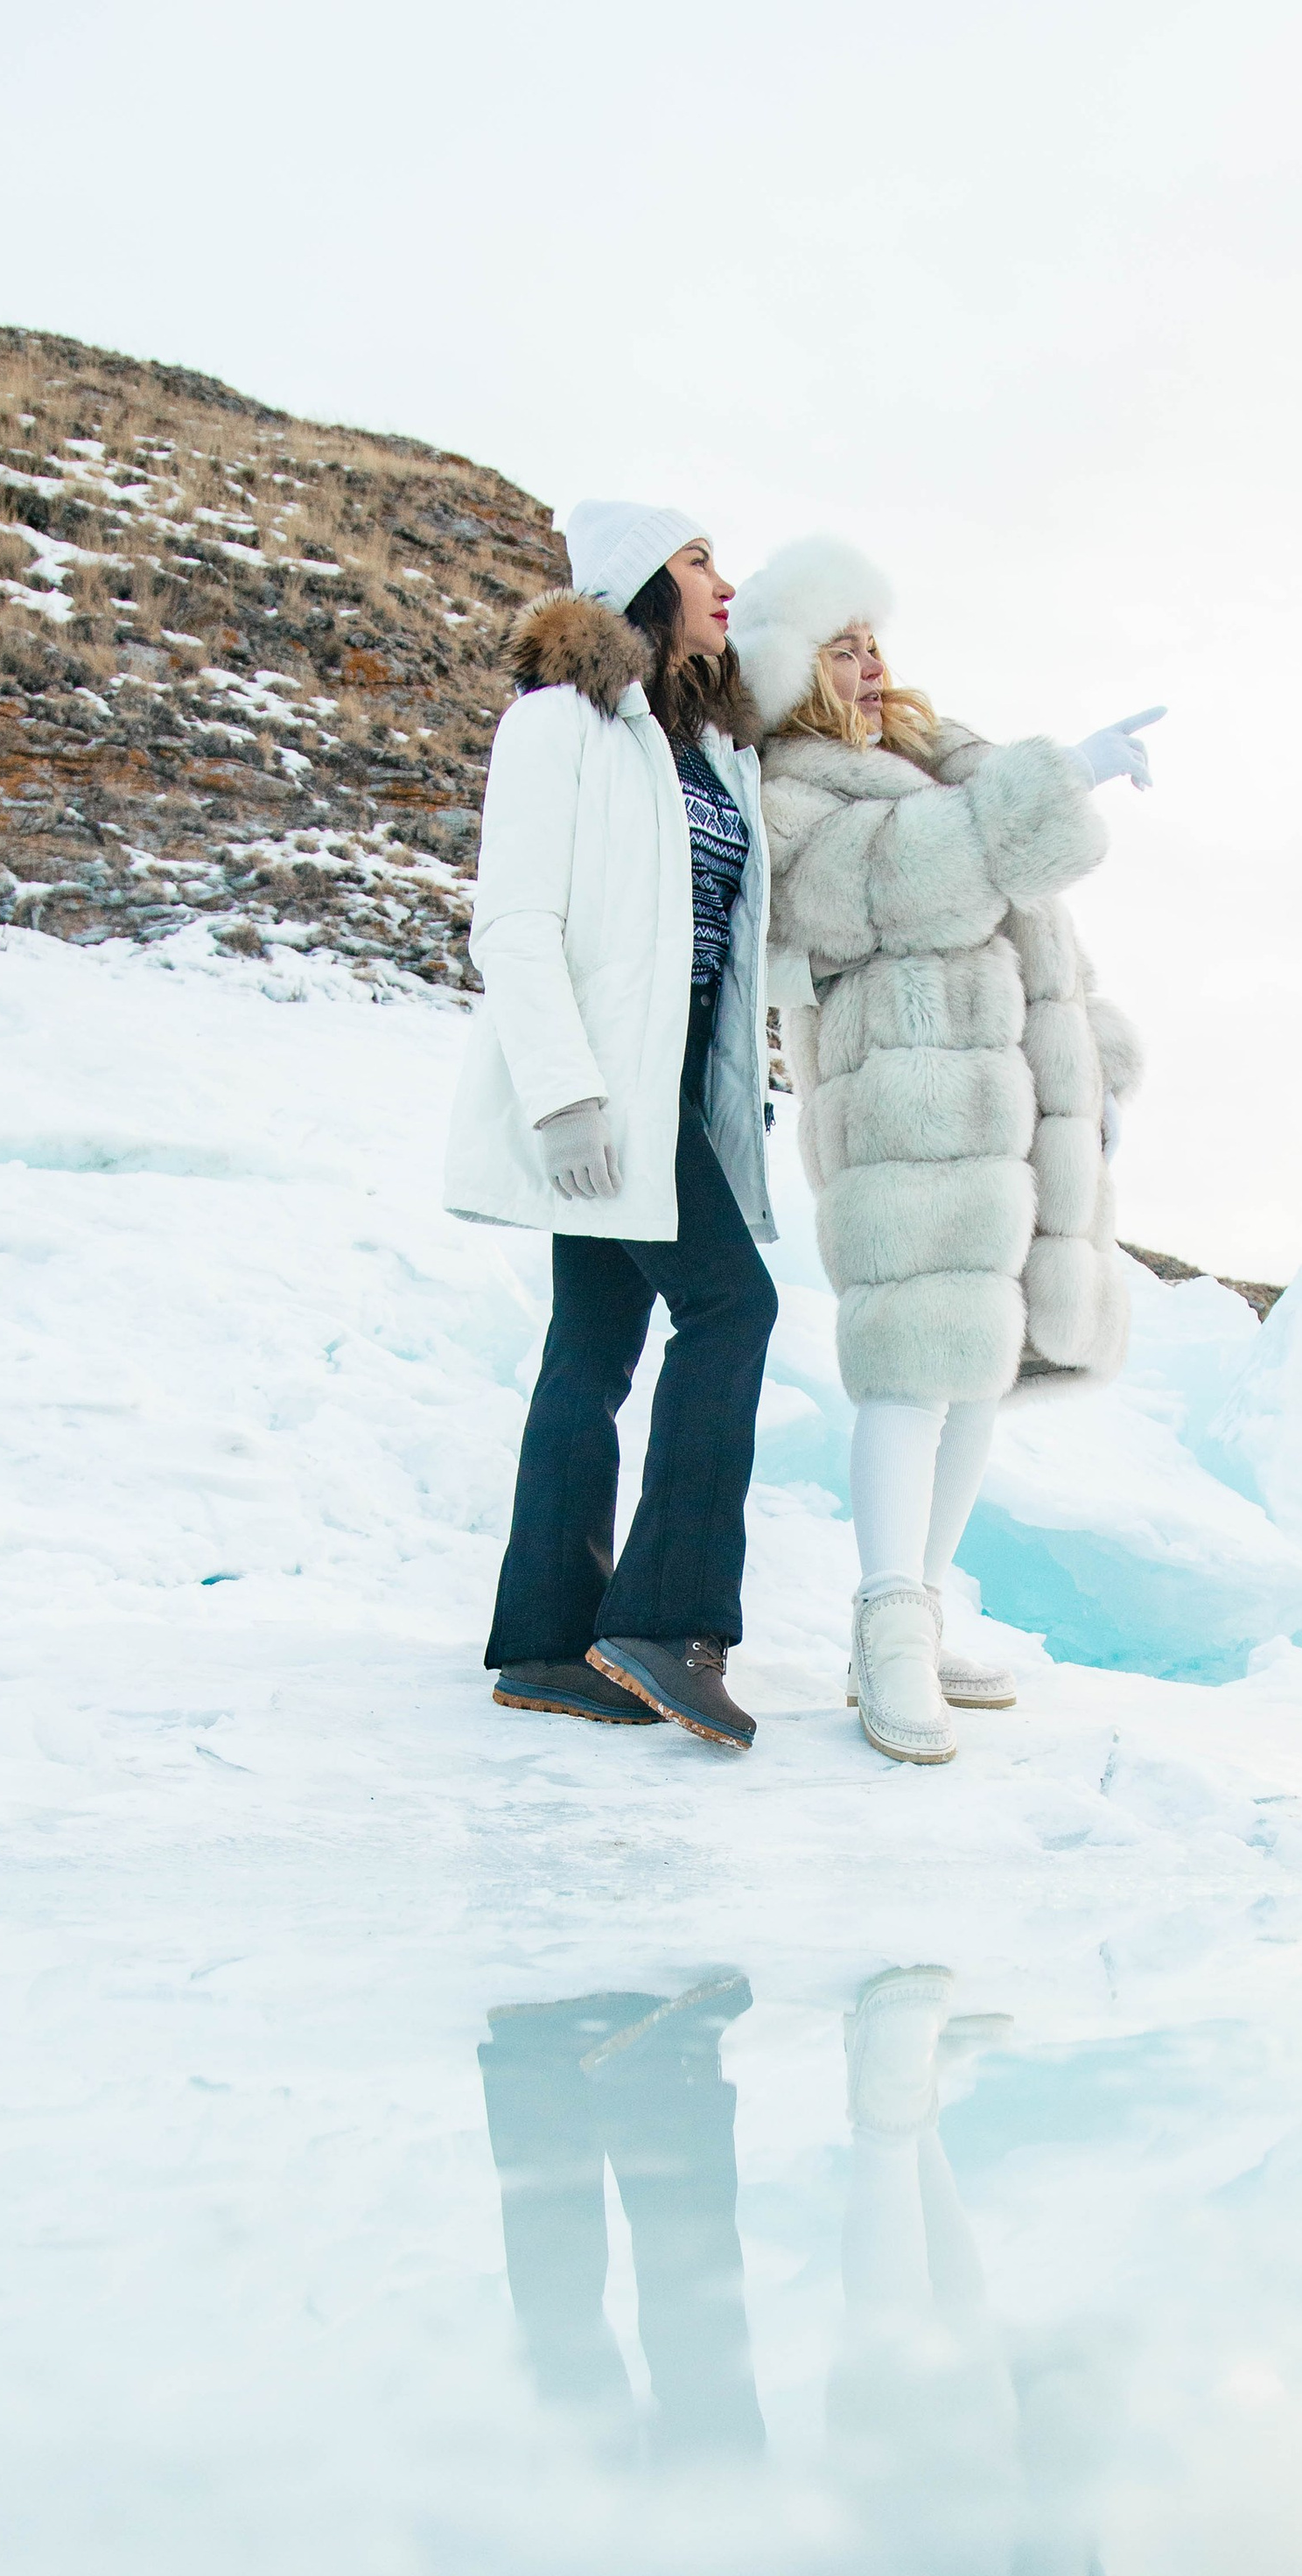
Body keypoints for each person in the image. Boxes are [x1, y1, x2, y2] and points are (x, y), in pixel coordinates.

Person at [729, 537, 1160, 1766]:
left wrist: (1099, 1067)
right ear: (795, 668)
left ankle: (921, 1605)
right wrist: (1058, 777)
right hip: (908, 1103)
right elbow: (907, 885)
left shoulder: (935, 757)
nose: (869, 665)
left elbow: (1044, 942)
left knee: (980, 1372)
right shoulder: (793, 786)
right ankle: (885, 1631)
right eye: (842, 646)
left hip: (1004, 1106)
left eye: (874, 642)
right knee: (913, 1373)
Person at [445, 500, 777, 1751]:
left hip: (675, 1079)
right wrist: (569, 1094)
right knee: (732, 1306)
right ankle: (667, 1622)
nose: (723, 583)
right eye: (700, 560)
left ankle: (543, 1641)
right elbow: (514, 922)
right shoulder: (559, 725)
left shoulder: (702, 750)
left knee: (591, 1349)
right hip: (602, 1085)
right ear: (644, 579)